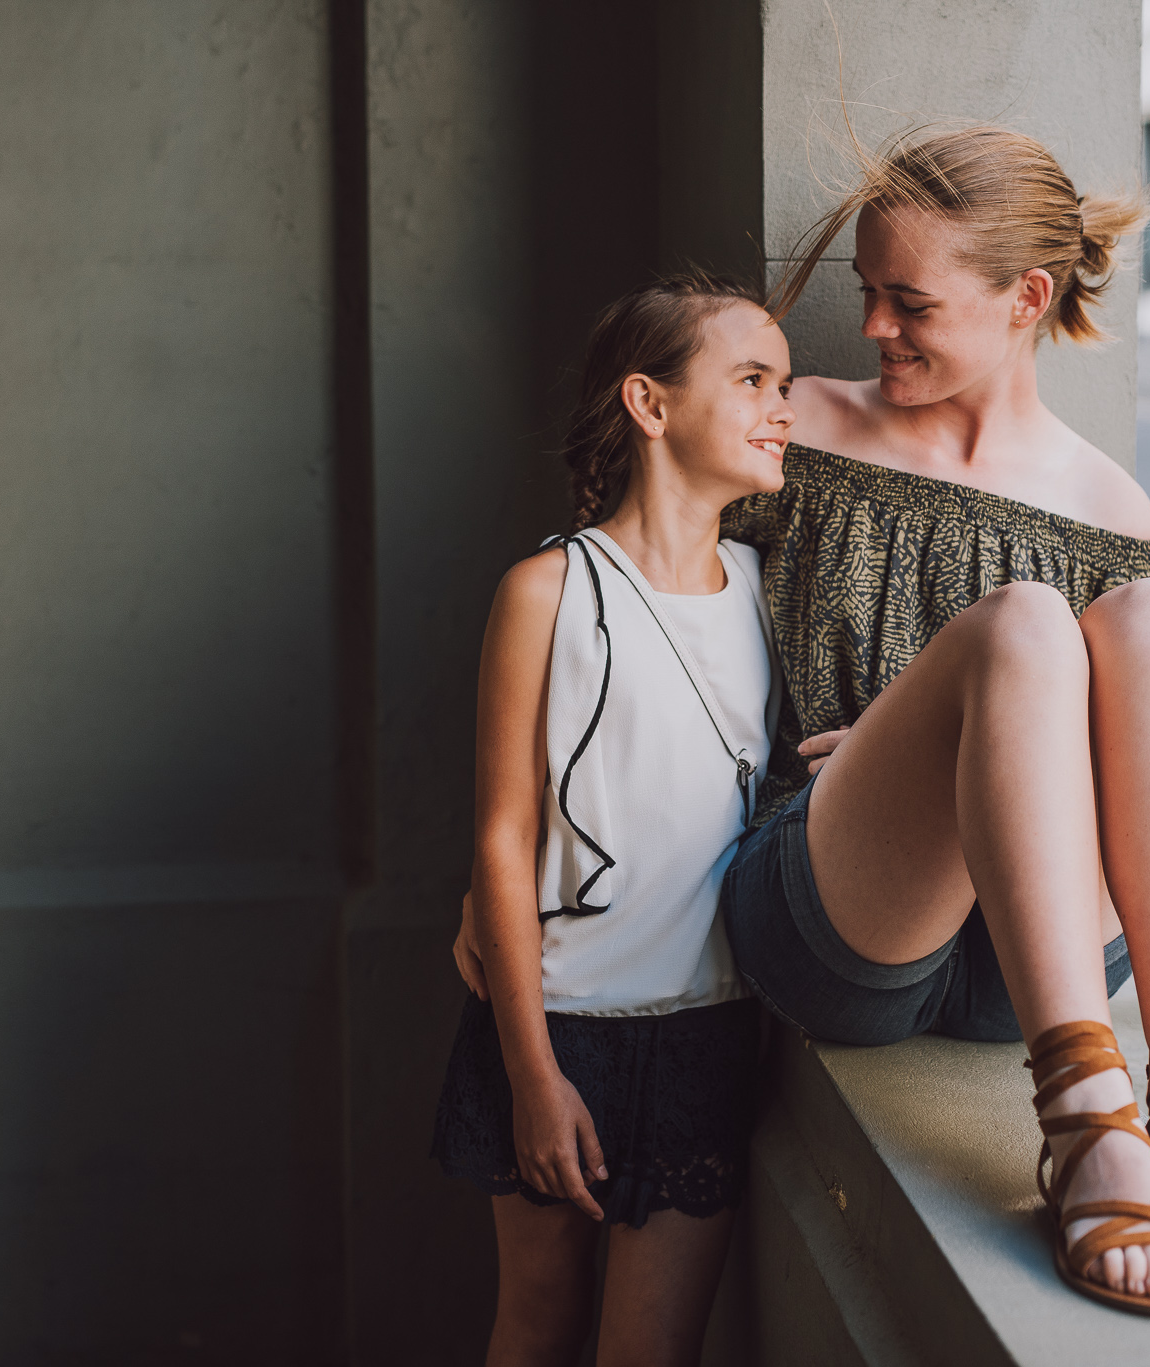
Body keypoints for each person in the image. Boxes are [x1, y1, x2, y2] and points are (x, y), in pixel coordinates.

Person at [463, 124, 1150, 1318]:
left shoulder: (1103, 502)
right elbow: (639, 610)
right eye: (869, 295)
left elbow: (1122, 755)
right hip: (836, 917)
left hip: (1029, 961)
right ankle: (1084, 1120)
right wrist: (516, 872)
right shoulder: (799, 429)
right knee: (1023, 622)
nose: (873, 327)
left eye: (907, 301)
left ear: (1024, 298)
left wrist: (943, 732)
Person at [430, 274, 795, 1366]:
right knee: (536, 1325)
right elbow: (500, 836)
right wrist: (534, 1079)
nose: (784, 406)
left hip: (709, 1027)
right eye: (750, 379)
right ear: (649, 402)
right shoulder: (545, 590)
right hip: (555, 1025)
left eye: (785, 383)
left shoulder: (768, 585)